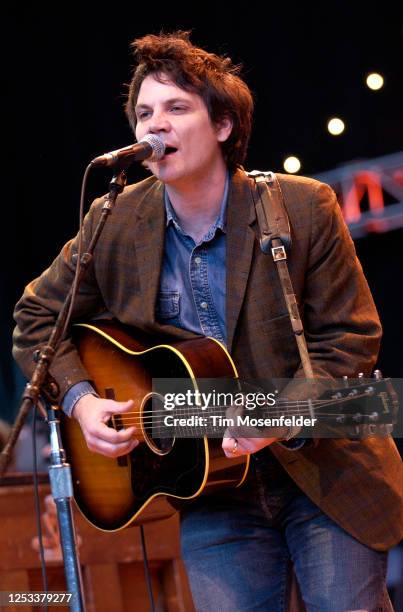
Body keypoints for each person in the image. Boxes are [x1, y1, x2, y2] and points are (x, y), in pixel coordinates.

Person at [13, 31, 403, 611]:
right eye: (144, 113)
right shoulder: (114, 219)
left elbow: (352, 341)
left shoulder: (303, 206)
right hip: (211, 488)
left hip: (325, 470)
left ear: (223, 126)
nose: (154, 126)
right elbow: (36, 316)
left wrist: (280, 417)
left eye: (176, 108)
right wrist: (81, 401)